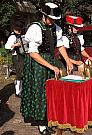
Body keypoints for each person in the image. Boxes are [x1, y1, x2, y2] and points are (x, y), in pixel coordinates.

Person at [20, 2, 73, 135]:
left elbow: (60, 46)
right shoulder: (35, 28)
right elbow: (32, 53)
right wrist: (51, 66)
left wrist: (67, 61)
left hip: (51, 60)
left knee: (53, 92)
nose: (52, 21)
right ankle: (42, 125)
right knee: (40, 92)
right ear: (44, 15)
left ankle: (51, 118)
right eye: (50, 18)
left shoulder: (57, 28)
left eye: (54, 19)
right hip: (38, 63)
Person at [5, 20, 25, 97]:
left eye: (20, 29)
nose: (19, 31)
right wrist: (14, 45)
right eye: (18, 29)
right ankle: (18, 92)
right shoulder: (12, 36)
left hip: (22, 56)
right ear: (14, 29)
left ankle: (20, 89)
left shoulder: (22, 36)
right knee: (19, 74)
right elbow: (7, 46)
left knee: (22, 73)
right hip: (16, 56)